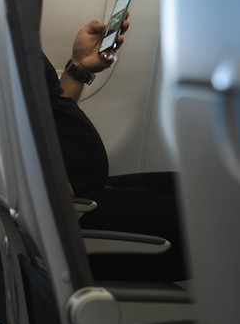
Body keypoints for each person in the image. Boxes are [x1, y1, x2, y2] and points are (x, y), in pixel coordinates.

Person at [44, 16, 187, 282]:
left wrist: (79, 67)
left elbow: (52, 117)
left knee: (195, 189)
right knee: (223, 220)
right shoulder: (3, 38)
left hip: (78, 200)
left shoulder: (8, 38)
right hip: (68, 218)